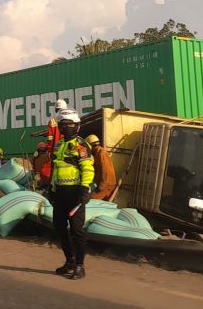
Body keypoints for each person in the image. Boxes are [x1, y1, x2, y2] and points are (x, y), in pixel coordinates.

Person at [50, 109, 94, 279]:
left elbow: (88, 168)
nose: (67, 127)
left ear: (77, 126)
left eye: (70, 124)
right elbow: (56, 169)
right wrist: (51, 190)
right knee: (60, 228)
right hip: (60, 193)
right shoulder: (59, 145)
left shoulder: (81, 145)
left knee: (76, 230)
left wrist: (85, 189)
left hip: (76, 193)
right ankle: (69, 260)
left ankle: (80, 266)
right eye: (64, 125)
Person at [85, 135, 117, 201]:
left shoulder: (102, 154)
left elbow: (105, 172)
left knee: (91, 199)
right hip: (102, 184)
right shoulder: (97, 153)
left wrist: (100, 187)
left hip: (106, 185)